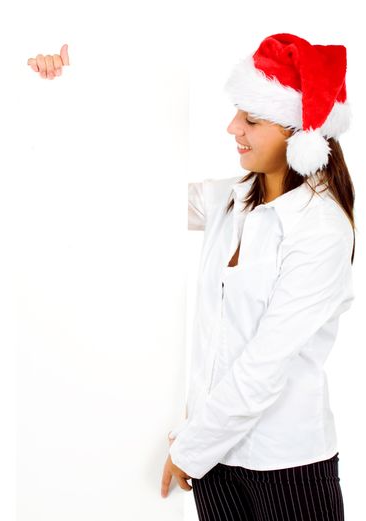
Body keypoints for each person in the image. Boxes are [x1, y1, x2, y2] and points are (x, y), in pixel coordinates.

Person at [27, 33, 355, 520]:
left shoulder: (322, 229)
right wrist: (70, 90)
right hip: (214, 458)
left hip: (285, 462)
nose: (232, 127)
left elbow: (266, 365)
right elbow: (129, 189)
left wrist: (191, 448)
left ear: (300, 134)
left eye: (252, 119)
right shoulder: (229, 199)